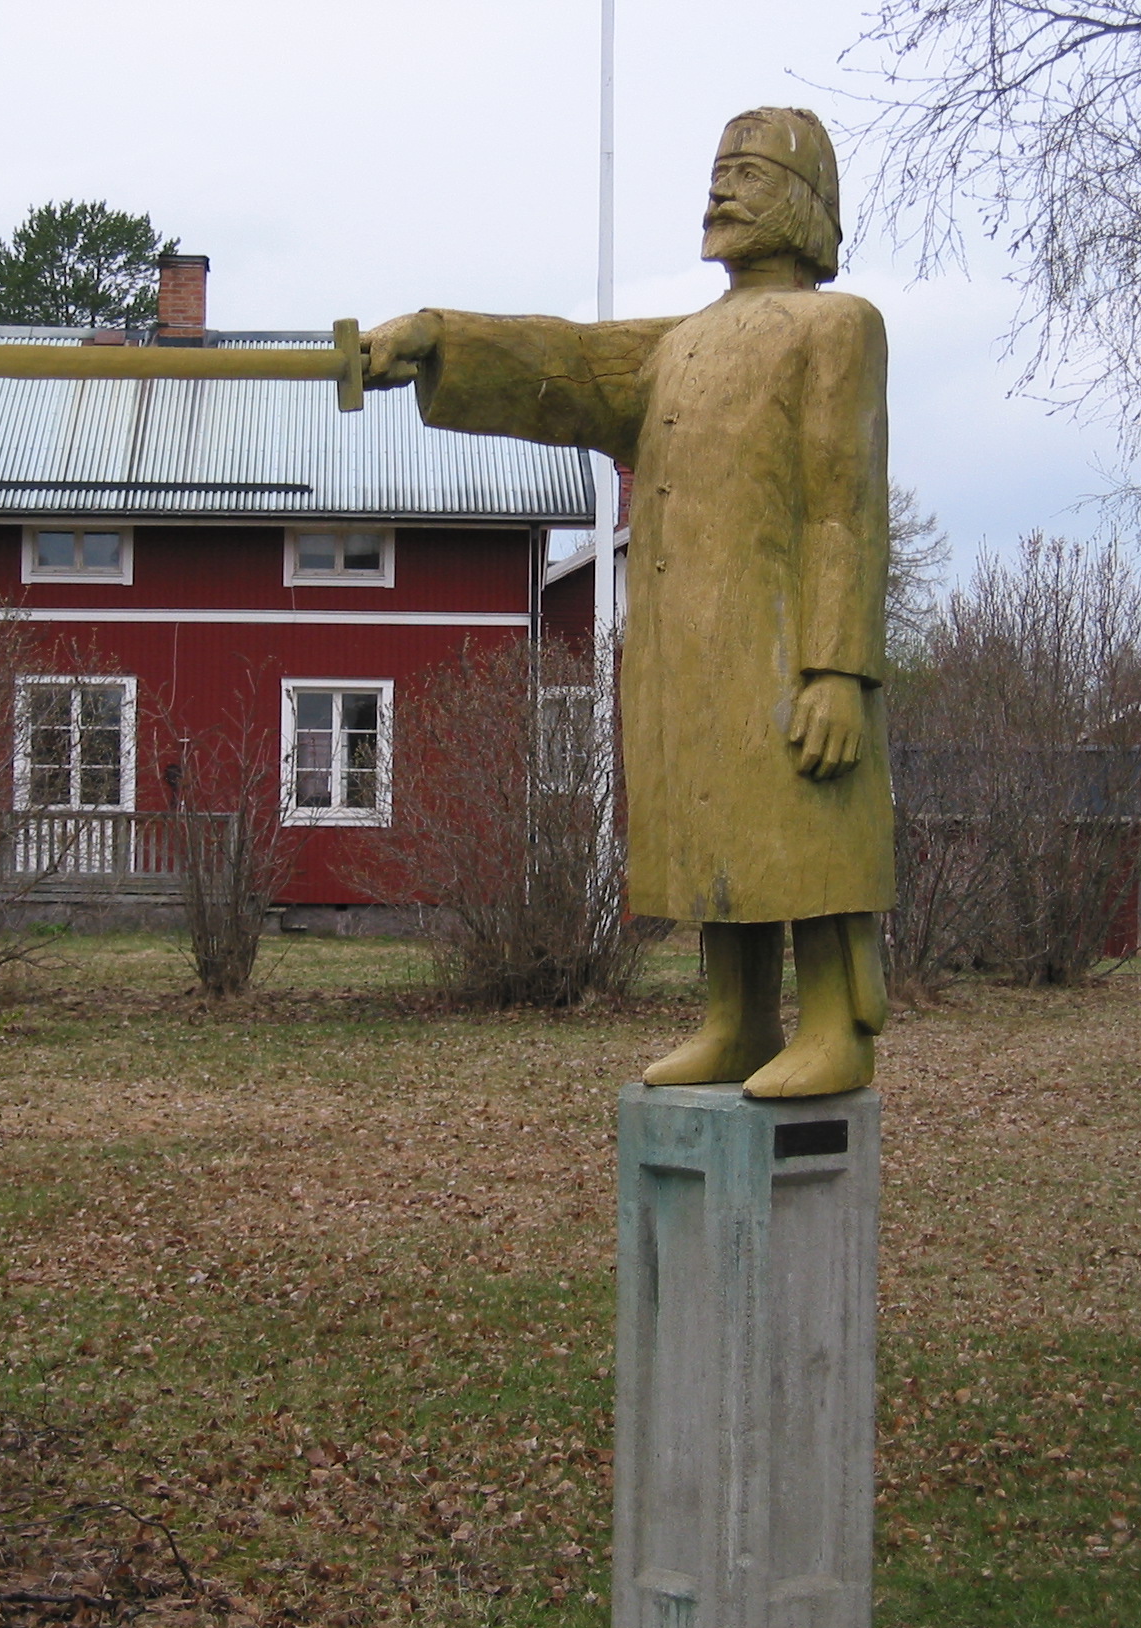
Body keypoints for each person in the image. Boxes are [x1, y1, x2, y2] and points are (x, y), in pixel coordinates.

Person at [364, 107, 892, 1098]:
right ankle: (736, 1021)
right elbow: (559, 365)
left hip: (790, 641)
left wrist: (836, 666)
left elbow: (843, 510)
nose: (721, 190)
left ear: (805, 199)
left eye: (747, 172)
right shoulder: (679, 345)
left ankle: (835, 1023)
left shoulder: (836, 326)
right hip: (688, 641)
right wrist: (437, 341)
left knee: (806, 818)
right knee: (717, 821)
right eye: (717, 170)